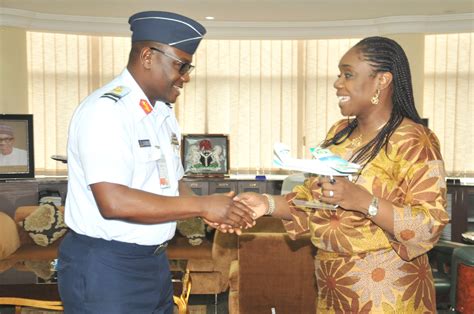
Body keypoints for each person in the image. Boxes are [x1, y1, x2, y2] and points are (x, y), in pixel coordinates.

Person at [232, 36, 449, 313]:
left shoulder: (414, 140)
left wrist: (364, 202)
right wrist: (267, 204)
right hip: (332, 289)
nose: (337, 83)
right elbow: (312, 200)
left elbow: (429, 225)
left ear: (382, 81)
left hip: (388, 295)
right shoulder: (338, 134)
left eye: (348, 74)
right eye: (339, 75)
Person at [58, 11, 255, 313]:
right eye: (181, 65)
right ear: (148, 56)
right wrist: (203, 206)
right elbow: (113, 202)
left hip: (154, 263)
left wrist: (209, 212)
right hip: (106, 267)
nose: (186, 75)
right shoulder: (107, 112)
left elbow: (173, 184)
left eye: (189, 66)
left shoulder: (162, 114)